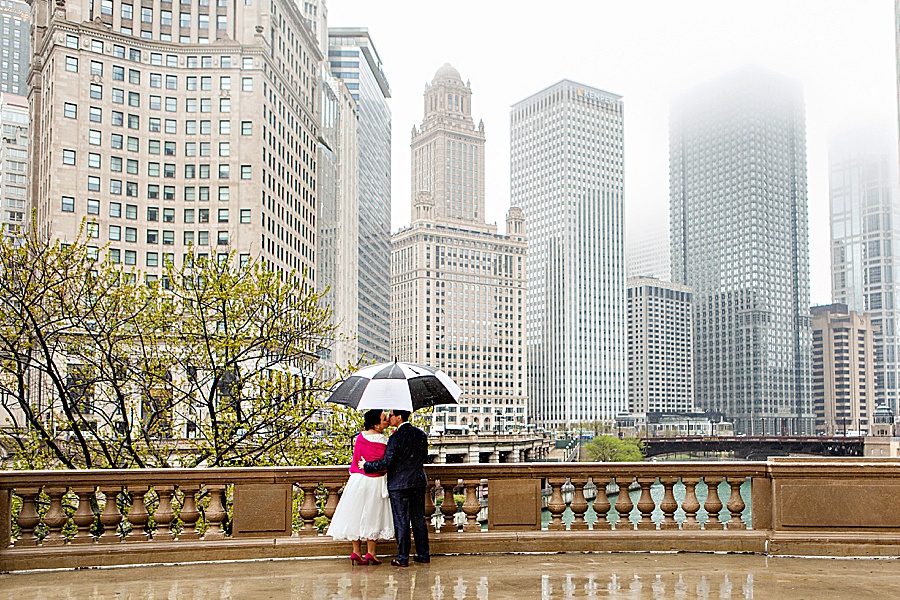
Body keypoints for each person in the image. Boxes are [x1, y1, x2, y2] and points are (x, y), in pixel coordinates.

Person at [360, 409, 430, 567]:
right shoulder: (420, 434)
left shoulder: (395, 437)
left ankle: (403, 557)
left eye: (391, 415)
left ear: (399, 417)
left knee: (402, 520)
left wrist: (366, 466)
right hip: (418, 481)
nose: (389, 418)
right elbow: (424, 457)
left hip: (399, 484)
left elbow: (386, 463)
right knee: (419, 519)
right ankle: (423, 554)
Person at [327, 409, 394, 566]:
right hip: (375, 481)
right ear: (376, 425)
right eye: (384, 419)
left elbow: (355, 461)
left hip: (357, 480)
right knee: (373, 515)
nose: (387, 421)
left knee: (356, 515)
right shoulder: (384, 441)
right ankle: (371, 552)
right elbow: (385, 464)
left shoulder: (360, 438)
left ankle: (356, 551)